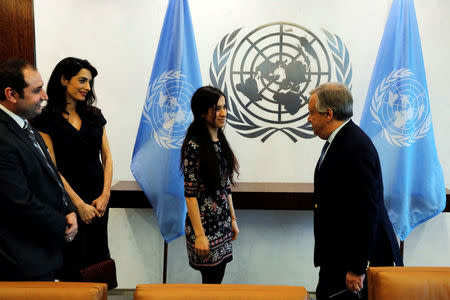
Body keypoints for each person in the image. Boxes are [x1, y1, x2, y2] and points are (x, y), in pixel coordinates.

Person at [307, 82, 403, 300]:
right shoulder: (340, 140)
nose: (308, 119)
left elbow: (367, 211)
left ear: (328, 114)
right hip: (338, 257)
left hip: (352, 263)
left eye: (312, 113)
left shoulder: (355, 147)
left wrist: (358, 267)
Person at [32, 57, 113, 281]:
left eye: (90, 83)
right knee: (73, 264)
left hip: (99, 202)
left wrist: (106, 194)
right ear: (64, 80)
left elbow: (107, 157)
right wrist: (78, 205)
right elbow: (52, 167)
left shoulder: (95, 116)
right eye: (82, 81)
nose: (88, 87)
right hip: (67, 203)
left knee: (99, 261)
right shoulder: (45, 118)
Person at [0, 58, 78, 281]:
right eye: (37, 90)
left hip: (44, 253)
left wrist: (69, 208)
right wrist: (63, 223)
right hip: (20, 260)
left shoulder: (24, 124)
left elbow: (51, 173)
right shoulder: (2, 137)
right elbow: (19, 201)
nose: (45, 96)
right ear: (11, 94)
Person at [181, 86, 239, 284]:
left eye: (224, 107)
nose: (224, 113)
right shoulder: (194, 145)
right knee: (211, 283)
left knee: (217, 280)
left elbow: (225, 185)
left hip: (222, 225)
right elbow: (190, 194)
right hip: (204, 228)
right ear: (202, 112)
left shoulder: (220, 140)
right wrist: (200, 236)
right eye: (217, 108)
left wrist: (232, 218)